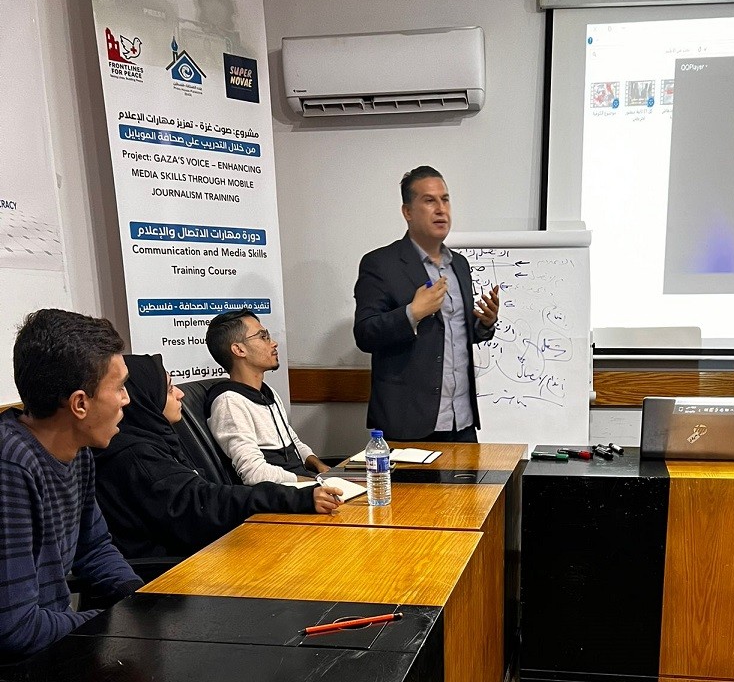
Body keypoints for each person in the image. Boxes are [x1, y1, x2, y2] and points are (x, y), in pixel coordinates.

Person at [93, 354, 340, 561]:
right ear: (147, 398)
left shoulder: (155, 440)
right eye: (168, 389)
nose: (180, 394)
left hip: (194, 558)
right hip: (168, 576)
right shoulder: (136, 458)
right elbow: (204, 504)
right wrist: (295, 497)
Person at [0, 309, 141, 661]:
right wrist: (114, 626)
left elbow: (93, 548)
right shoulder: (10, 466)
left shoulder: (78, 452)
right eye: (119, 387)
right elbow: (14, 629)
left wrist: (140, 600)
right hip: (21, 668)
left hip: (53, 644)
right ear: (80, 403)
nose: (126, 399)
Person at [353, 165, 500, 442]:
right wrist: (412, 313)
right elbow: (365, 334)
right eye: (429, 201)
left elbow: (452, 333)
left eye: (445, 200)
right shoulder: (381, 264)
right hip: (409, 424)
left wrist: (483, 324)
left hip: (462, 423)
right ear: (407, 212)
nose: (441, 209)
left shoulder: (459, 265)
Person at [203, 311, 329, 485]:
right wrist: (310, 483)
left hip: (305, 486)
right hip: (283, 494)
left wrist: (321, 468)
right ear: (239, 349)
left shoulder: (267, 393)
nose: (274, 343)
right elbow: (254, 473)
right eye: (263, 337)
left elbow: (293, 442)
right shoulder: (229, 402)